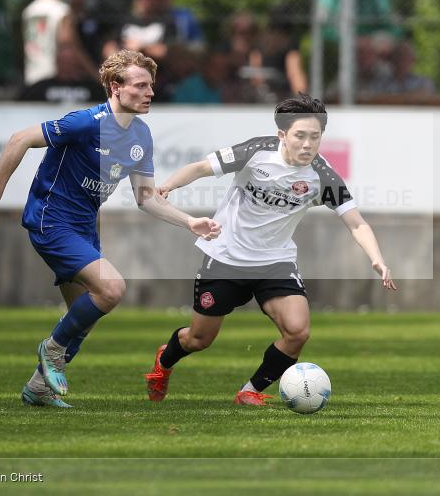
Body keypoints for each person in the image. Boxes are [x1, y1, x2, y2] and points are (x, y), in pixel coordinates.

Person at [0, 49, 220, 408]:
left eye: (151, 85)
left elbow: (146, 197)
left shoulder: (141, 136)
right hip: (51, 219)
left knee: (82, 318)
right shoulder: (86, 122)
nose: (150, 92)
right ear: (115, 87)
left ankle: (37, 388)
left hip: (85, 226)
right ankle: (50, 351)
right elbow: (18, 140)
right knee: (112, 288)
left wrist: (189, 222)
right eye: (141, 85)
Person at [143, 94, 397, 406]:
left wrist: (377, 259)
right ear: (282, 135)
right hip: (225, 258)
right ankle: (163, 363)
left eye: (315, 137)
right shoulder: (255, 151)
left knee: (298, 331)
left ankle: (250, 390)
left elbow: (356, 222)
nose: (307, 145)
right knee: (198, 339)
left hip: (275, 262)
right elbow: (199, 168)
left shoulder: (323, 175)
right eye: (300, 136)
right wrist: (168, 187)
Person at [22, 0, 70, 86]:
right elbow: (68, 46)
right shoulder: (61, 10)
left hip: (32, 77)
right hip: (54, 76)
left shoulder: (29, 11)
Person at [19, 42, 103, 104]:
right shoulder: (41, 87)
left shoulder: (92, 88)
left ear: (76, 63)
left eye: (69, 61)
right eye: (63, 60)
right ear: (57, 61)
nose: (66, 64)